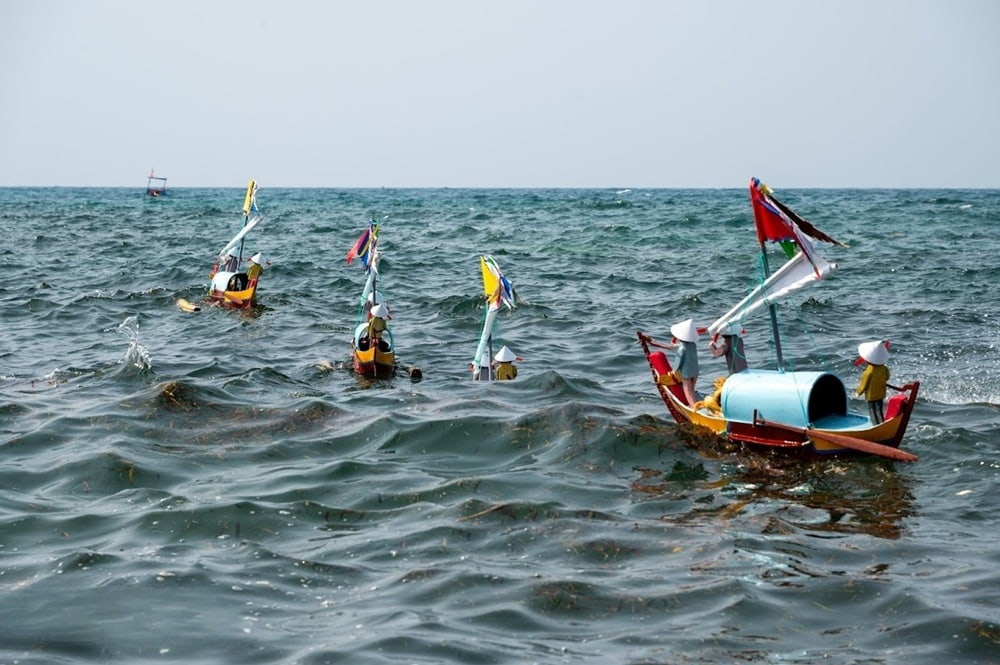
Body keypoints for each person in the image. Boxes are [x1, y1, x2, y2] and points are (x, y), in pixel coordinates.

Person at [666, 318, 701, 406]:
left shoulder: (682, 348)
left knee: (688, 390)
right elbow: (683, 346)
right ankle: (695, 402)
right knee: (692, 388)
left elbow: (679, 359)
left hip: (686, 373)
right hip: (695, 370)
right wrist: (674, 346)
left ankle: (693, 406)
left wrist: (674, 370)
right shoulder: (692, 345)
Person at [856, 340, 890, 424]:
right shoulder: (884, 368)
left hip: (871, 395)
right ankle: (882, 423)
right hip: (881, 393)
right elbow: (887, 377)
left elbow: (863, 384)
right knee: (879, 409)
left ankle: (876, 425)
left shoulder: (868, 371)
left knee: (872, 410)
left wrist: (858, 392)